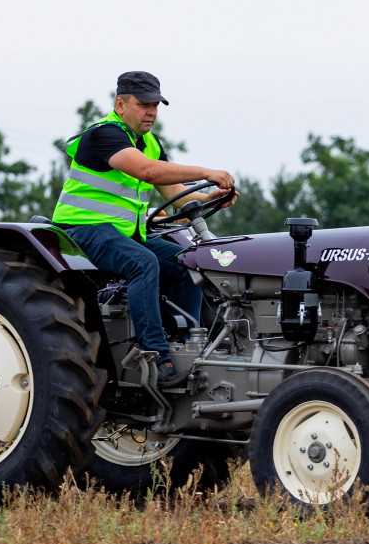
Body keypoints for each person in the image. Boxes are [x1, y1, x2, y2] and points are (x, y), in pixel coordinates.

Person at [52, 71, 237, 387]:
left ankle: (188, 344)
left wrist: (208, 197)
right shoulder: (104, 135)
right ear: (120, 104)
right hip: (81, 231)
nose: (151, 111)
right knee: (143, 263)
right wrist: (207, 171)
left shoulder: (150, 143)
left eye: (155, 104)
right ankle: (154, 355)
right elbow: (148, 171)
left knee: (187, 261)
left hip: (122, 234)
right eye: (143, 104)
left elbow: (174, 193)